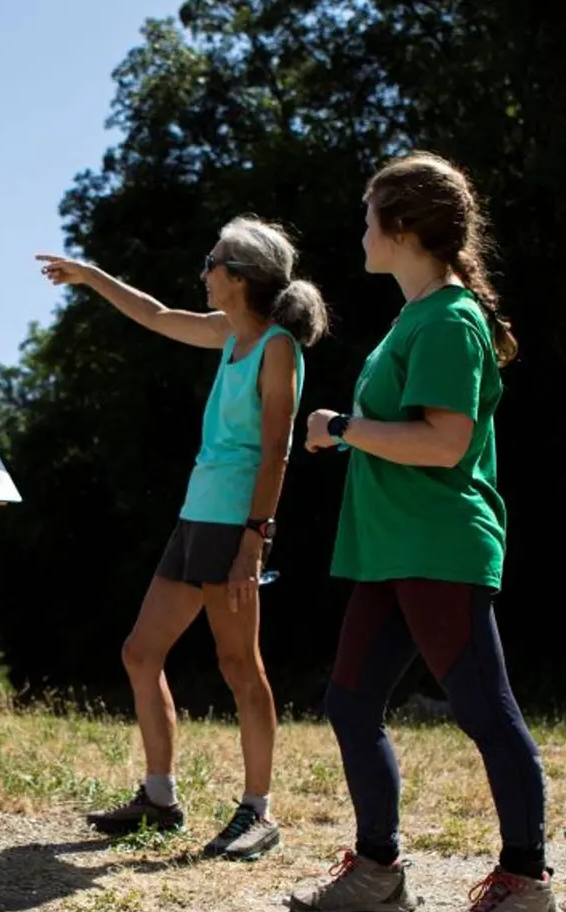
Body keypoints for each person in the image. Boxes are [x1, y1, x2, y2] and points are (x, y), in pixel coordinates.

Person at [288, 151, 563, 912]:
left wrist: (340, 429)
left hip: (437, 546)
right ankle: (377, 872)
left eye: (370, 215)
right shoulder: (417, 317)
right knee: (349, 703)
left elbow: (445, 442)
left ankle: (528, 884)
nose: (361, 231)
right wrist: (348, 431)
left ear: (402, 229)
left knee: (486, 713)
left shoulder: (448, 319)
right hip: (390, 549)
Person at [36, 216, 328, 860]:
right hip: (197, 515)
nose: (204, 272)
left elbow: (277, 452)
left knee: (238, 666)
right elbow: (155, 313)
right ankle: (160, 798)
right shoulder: (229, 334)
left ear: (242, 276)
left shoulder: (278, 346)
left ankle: (258, 811)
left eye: (213, 261)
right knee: (141, 653)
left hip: (234, 525)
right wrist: (90, 278)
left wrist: (256, 538)